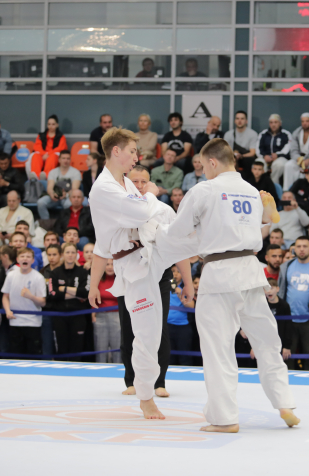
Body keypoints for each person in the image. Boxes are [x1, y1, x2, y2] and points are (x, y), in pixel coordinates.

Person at [157, 137, 298, 432]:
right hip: (251, 271)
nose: (202, 171)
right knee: (267, 342)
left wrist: (155, 231)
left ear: (211, 162)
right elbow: (255, 226)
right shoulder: (251, 191)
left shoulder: (205, 189)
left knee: (218, 349)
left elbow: (178, 232)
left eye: (202, 165)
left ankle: (224, 419)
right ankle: (284, 402)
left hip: (219, 274)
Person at [87, 128, 194, 419]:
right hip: (134, 265)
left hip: (153, 249)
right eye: (132, 151)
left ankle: (248, 227)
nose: (137, 156)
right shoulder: (104, 188)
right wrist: (153, 194)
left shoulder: (125, 183)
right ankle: (146, 396)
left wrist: (151, 200)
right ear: (116, 151)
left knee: (192, 231)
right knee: (148, 333)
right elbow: (140, 214)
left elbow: (150, 213)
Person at [115, 164, 176, 398]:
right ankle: (131, 380)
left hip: (160, 274)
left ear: (151, 183)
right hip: (129, 274)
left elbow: (178, 248)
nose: (139, 186)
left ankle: (159, 382)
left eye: (144, 182)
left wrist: (188, 282)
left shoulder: (164, 210)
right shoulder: (120, 209)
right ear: (126, 183)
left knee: (159, 327)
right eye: (135, 181)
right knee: (128, 327)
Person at [277, 236, 309, 371]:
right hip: (289, 318)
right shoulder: (286, 267)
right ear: (294, 249)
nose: (302, 249)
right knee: (287, 356)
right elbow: (281, 291)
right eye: (298, 246)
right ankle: (287, 381)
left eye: (305, 246)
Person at [1, 247, 46, 356]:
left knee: (33, 356)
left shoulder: (38, 277)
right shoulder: (11, 275)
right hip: (15, 321)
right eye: (22, 256)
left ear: (33, 260)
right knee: (15, 356)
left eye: (28, 257)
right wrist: (7, 310)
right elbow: (5, 296)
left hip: (33, 322)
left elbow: (43, 302)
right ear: (17, 259)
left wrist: (31, 296)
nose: (25, 259)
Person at [37, 150, 82, 220]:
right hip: (55, 197)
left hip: (68, 197)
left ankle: (67, 223)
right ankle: (46, 222)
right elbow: (50, 187)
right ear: (59, 160)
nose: (65, 161)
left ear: (70, 160)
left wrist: (66, 195)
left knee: (69, 204)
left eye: (68, 158)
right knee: (40, 202)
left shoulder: (76, 172)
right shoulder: (53, 172)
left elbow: (74, 189)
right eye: (63, 158)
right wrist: (52, 194)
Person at [167, 264, 193, 366]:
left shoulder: (186, 287)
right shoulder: (163, 287)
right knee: (169, 357)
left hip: (182, 327)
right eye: (173, 271)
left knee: (185, 358)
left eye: (178, 272)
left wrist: (180, 294)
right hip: (167, 326)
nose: (175, 274)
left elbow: (191, 306)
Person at [256, 114, 293, 185]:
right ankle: (260, 185)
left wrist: (277, 155)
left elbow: (288, 149)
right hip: (265, 157)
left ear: (280, 123)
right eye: (271, 122)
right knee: (258, 163)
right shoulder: (263, 134)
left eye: (276, 122)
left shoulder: (286, 134)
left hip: (280, 157)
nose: (273, 125)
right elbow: (258, 148)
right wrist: (264, 156)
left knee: (278, 164)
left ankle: (273, 185)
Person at [29, 114, 68, 179]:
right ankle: (35, 175)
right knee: (35, 155)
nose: (51, 126)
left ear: (57, 125)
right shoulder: (41, 136)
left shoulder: (61, 137)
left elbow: (61, 148)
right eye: (49, 124)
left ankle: (46, 175)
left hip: (53, 155)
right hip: (42, 155)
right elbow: (37, 146)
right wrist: (44, 154)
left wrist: (48, 154)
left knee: (52, 157)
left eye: (53, 124)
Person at [224, 110, 258, 176]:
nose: (239, 121)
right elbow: (225, 151)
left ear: (246, 121)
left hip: (246, 158)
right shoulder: (228, 134)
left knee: (249, 160)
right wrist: (234, 154)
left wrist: (241, 156)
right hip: (232, 157)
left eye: (242, 119)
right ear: (235, 121)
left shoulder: (253, 134)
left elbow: (252, 153)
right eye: (237, 118)